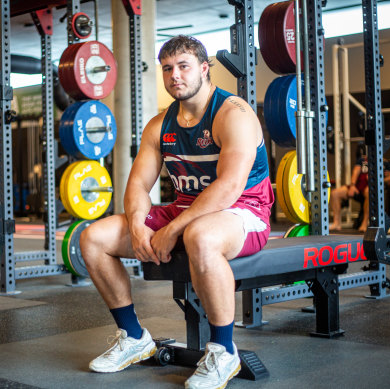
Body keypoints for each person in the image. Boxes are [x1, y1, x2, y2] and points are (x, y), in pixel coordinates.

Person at [79, 35, 274, 389]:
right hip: (187, 209)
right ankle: (134, 337)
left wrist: (172, 231)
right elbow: (138, 186)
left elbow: (229, 187)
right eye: (167, 68)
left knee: (199, 236)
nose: (175, 76)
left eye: (183, 66)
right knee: (93, 237)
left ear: (204, 68)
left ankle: (224, 351)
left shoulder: (234, 114)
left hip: (244, 211)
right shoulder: (160, 125)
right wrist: (138, 227)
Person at [330, 148, 390, 232]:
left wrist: (377, 180)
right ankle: (336, 223)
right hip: (358, 188)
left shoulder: (384, 163)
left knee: (369, 191)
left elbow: (389, 180)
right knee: (335, 193)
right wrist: (352, 185)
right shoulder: (363, 160)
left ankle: (364, 223)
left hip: (372, 189)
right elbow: (355, 172)